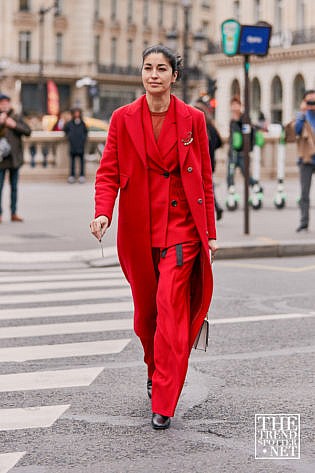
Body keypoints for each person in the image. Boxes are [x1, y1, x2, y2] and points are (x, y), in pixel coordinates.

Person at [90, 45, 217, 430]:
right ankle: (154, 369)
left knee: (172, 310)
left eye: (162, 68)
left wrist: (209, 232)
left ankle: (164, 397)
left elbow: (205, 178)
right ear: (141, 74)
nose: (154, 75)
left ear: (174, 76)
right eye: (148, 68)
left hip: (182, 229)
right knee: (147, 318)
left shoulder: (193, 119)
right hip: (138, 229)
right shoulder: (122, 118)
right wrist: (102, 211)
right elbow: (108, 170)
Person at [0, 93, 31, 223]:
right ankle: (0, 214)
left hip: (15, 159)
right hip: (1, 159)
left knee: (14, 187)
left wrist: (14, 125)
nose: (5, 105)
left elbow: (28, 131)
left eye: (6, 102)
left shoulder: (16, 117)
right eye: (2, 103)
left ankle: (14, 212)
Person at [194, 96, 224, 220]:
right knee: (207, 187)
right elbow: (219, 142)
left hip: (199, 163)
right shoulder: (211, 127)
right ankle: (215, 207)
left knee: (204, 188)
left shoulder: (199, 127)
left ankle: (213, 208)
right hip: (211, 162)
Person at [294, 90, 315, 232]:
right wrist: (302, 113)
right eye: (309, 102)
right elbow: (296, 130)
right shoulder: (302, 116)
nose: (312, 105)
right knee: (304, 193)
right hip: (306, 159)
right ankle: (304, 222)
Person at [227, 95, 257, 191]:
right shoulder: (231, 120)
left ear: (240, 106)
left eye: (236, 105)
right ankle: (231, 192)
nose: (234, 107)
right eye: (233, 105)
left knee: (246, 174)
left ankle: (256, 187)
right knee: (229, 175)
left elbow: (249, 133)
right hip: (232, 153)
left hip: (242, 153)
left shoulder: (244, 118)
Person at [63, 107, 88, 183]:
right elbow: (65, 130)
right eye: (75, 113)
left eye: (78, 113)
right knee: (72, 162)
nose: (77, 114)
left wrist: (83, 139)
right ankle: (72, 175)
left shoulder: (83, 123)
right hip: (73, 145)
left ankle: (82, 175)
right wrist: (69, 137)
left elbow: (86, 132)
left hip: (81, 145)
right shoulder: (69, 123)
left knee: (82, 162)